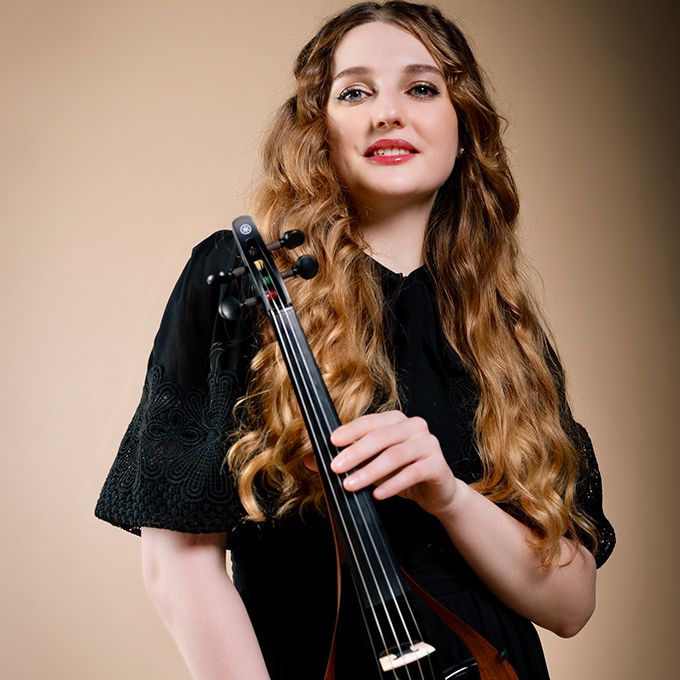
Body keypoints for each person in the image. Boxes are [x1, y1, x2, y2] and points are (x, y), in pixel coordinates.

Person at [94, 2, 615, 679]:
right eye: (355, 93)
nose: (387, 113)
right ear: (319, 130)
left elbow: (572, 603)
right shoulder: (244, 281)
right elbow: (179, 564)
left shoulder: (502, 327)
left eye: (421, 88)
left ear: (463, 128)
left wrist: (448, 495)